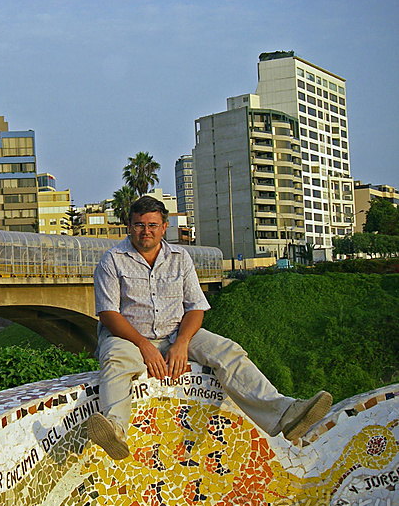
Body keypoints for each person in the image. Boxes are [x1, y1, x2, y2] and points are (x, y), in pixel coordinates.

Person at [86, 196, 332, 460]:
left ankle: (286, 414)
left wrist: (181, 343)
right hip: (128, 336)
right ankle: (115, 430)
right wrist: (144, 345)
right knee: (116, 360)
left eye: (153, 225)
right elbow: (108, 313)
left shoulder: (180, 259)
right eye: (139, 225)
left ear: (165, 226)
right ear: (129, 226)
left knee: (228, 351)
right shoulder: (112, 260)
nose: (146, 231)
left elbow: (195, 308)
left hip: (175, 332)